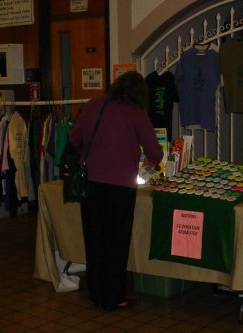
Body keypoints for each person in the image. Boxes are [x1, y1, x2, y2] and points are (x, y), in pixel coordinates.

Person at [69, 71, 164, 311]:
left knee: (95, 240)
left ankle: (97, 294)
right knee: (117, 242)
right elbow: (156, 153)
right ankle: (115, 297)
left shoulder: (93, 105)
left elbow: (74, 137)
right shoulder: (136, 113)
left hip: (92, 184)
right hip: (121, 187)